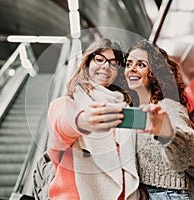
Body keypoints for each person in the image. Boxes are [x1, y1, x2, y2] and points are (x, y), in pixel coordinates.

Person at [46, 38, 139, 200]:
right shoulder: (66, 105)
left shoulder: (125, 109)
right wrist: (82, 122)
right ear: (87, 63)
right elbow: (62, 126)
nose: (106, 66)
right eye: (99, 59)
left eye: (113, 63)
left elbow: (155, 129)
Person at [124, 40, 194, 199]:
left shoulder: (168, 107)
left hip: (175, 194)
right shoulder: (132, 111)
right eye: (129, 64)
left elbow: (192, 153)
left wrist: (167, 133)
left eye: (141, 65)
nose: (132, 69)